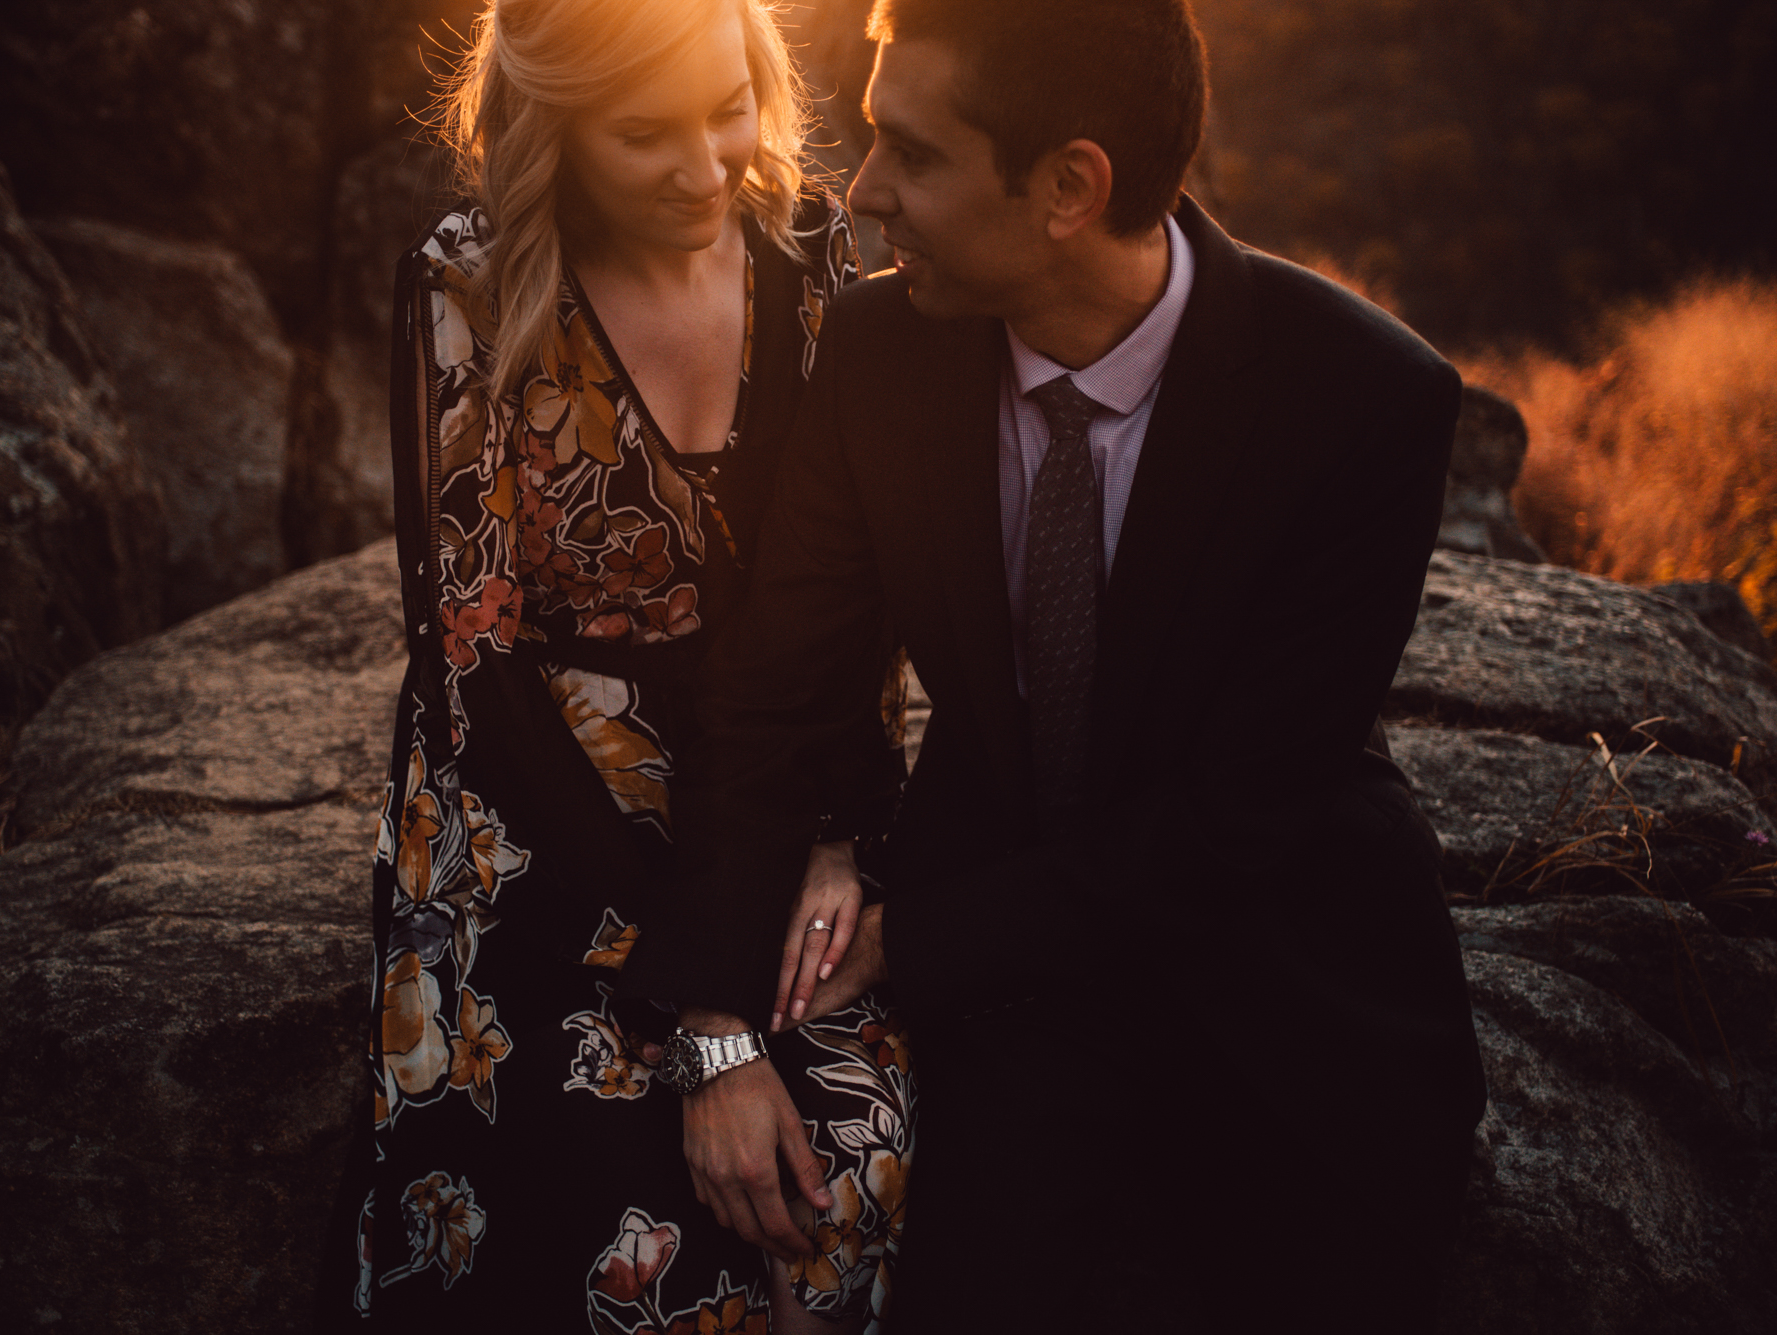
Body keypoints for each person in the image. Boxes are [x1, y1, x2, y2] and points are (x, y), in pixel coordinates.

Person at [615, 0, 1490, 1329]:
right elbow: (778, 688)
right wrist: (722, 1015)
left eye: (911, 153)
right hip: (1010, 961)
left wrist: (909, 941)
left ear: (1070, 187)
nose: (865, 191)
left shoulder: (1364, 402)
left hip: (1276, 950)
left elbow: (1233, 821)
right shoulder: (877, 354)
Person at [326, 0, 916, 1329]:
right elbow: (470, 659)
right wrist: (683, 989)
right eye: (644, 133)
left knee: (846, 1171)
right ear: (556, 130)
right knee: (625, 1224)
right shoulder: (470, 286)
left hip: (782, 788)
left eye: (729, 106)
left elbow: (858, 599)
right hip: (548, 822)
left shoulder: (812, 255)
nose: (710, 164)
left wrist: (833, 835)